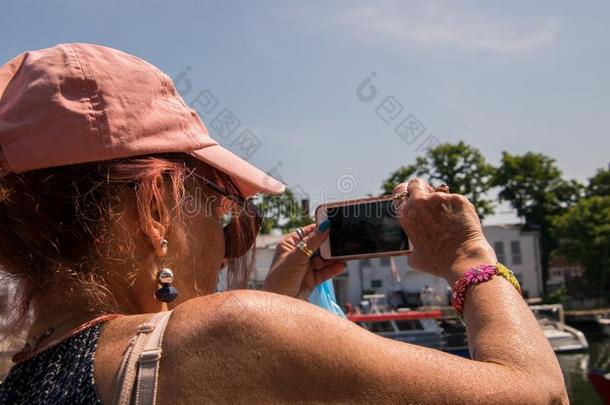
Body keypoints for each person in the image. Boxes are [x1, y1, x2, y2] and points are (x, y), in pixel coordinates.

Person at [0, 44, 567, 404]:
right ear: (154, 209)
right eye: (228, 213)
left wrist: (281, 304)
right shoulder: (230, 334)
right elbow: (539, 395)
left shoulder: (21, 379)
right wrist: (470, 258)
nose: (226, 248)